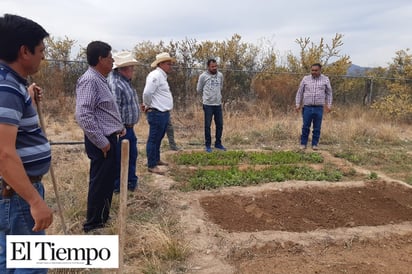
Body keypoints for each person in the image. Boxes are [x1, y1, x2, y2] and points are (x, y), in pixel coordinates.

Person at [0, 14, 53, 273]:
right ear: (24, 51)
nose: (43, 56)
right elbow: (3, 153)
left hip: (12, 192)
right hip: (16, 194)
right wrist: (34, 201)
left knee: (9, 262)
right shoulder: (6, 88)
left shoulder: (12, 86)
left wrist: (28, 100)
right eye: (41, 50)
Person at [75, 41, 125, 233]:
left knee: (107, 180)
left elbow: (102, 110)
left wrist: (117, 128)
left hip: (109, 138)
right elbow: (84, 115)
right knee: (99, 181)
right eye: (110, 57)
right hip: (101, 141)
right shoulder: (90, 80)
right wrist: (103, 143)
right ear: (100, 59)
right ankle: (93, 224)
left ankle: (102, 217)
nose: (113, 61)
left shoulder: (100, 79)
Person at [108, 51, 140, 193]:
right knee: (120, 158)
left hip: (129, 128)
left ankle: (130, 182)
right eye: (131, 67)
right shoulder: (116, 83)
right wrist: (119, 128)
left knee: (131, 156)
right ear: (122, 69)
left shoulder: (125, 82)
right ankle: (118, 186)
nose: (133, 70)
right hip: (122, 130)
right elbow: (114, 109)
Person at [141, 52, 175, 175]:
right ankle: (151, 164)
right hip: (157, 112)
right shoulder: (155, 75)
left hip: (163, 112)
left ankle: (156, 158)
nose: (170, 66)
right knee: (154, 138)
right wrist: (147, 105)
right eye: (168, 64)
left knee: (159, 137)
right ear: (161, 64)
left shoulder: (162, 76)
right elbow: (147, 93)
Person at [295, 63, 333, 150]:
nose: (314, 72)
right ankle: (303, 143)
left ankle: (314, 144)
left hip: (319, 108)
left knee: (317, 127)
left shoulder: (325, 79)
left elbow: (329, 93)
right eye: (312, 70)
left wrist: (329, 105)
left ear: (320, 70)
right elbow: (299, 92)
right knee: (305, 126)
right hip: (307, 107)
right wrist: (297, 104)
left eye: (316, 70)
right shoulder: (305, 79)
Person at [196, 58, 226, 153]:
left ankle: (218, 143)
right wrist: (207, 96)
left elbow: (221, 86)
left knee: (220, 125)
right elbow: (199, 89)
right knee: (207, 125)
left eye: (216, 66)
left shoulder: (220, 75)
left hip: (217, 104)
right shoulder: (203, 76)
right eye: (212, 66)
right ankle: (208, 145)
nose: (214, 68)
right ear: (208, 67)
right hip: (208, 104)